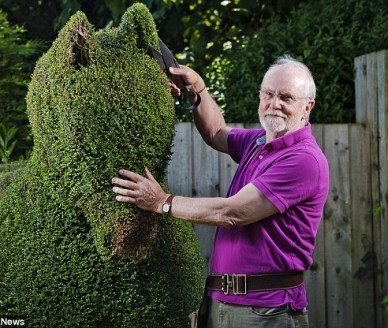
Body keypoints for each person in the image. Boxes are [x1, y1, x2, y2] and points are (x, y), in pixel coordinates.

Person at [111, 55, 329, 327]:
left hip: (265, 311)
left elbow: (233, 212)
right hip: (221, 301)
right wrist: (198, 91)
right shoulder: (258, 143)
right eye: (268, 94)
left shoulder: (303, 159)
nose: (274, 104)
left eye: (286, 97)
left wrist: (161, 202)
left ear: (307, 107)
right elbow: (216, 131)